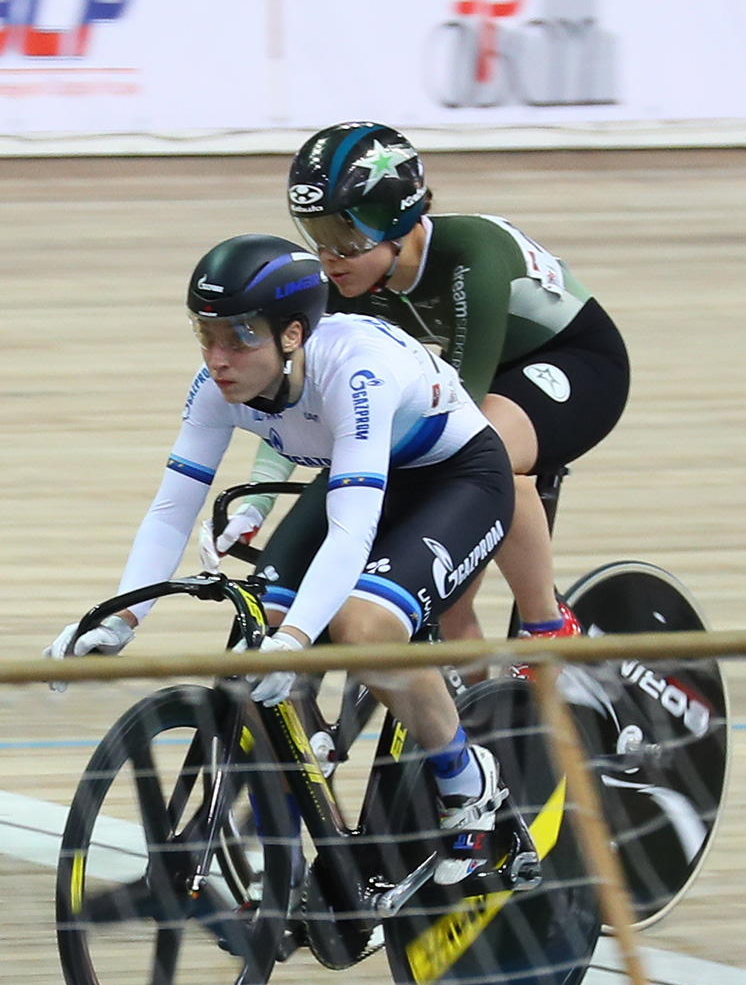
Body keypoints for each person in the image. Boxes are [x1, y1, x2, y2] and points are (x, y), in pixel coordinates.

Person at [47, 233, 522, 879]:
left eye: (239, 337)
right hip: (359, 473)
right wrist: (119, 616)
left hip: (455, 478)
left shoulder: (355, 373)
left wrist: (299, 637)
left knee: (363, 631)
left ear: (293, 335)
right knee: (254, 646)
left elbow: (351, 534)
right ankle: (299, 836)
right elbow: (171, 511)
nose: (218, 359)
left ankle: (468, 779)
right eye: (205, 335)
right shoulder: (216, 385)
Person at [219, 121, 631, 646]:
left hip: (573, 363)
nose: (328, 257)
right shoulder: (351, 278)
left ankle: (547, 625)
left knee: (486, 451)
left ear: (396, 219)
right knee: (440, 591)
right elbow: (298, 398)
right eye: (314, 234)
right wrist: (260, 503)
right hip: (486, 369)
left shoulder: (472, 254)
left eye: (343, 236)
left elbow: (460, 409)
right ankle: (476, 691)